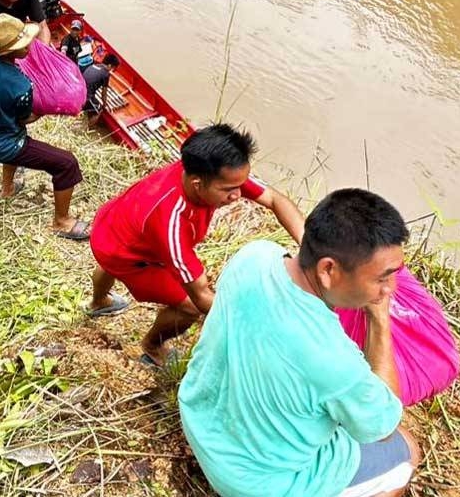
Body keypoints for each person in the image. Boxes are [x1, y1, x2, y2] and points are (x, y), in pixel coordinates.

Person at [178, 188, 421, 497]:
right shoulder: (334, 359)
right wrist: (379, 320)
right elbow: (381, 428)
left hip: (200, 423)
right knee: (406, 451)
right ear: (328, 269)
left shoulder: (254, 255)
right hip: (255, 484)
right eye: (382, 278)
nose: (390, 289)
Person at [84, 124, 305, 366]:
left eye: (240, 185)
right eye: (229, 190)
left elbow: (274, 198)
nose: (238, 195)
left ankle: (99, 302)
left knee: (108, 261)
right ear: (198, 184)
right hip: (124, 254)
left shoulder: (204, 169)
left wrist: (309, 246)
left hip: (112, 223)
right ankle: (152, 346)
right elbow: (199, 297)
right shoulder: (171, 222)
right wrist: (260, 326)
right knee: (188, 308)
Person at [0, 13, 89, 240]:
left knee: (13, 132)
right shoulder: (21, 84)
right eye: (23, 44)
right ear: (10, 51)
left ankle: (7, 189)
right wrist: (45, 108)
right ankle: (61, 222)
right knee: (66, 163)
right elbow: (24, 119)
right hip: (4, 144)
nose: (29, 45)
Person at [81, 53, 120, 125]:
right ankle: (87, 126)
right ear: (110, 65)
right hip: (85, 96)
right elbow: (103, 94)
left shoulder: (93, 65)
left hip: (79, 90)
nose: (112, 70)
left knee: (92, 99)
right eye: (113, 68)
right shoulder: (105, 74)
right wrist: (104, 105)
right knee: (99, 109)